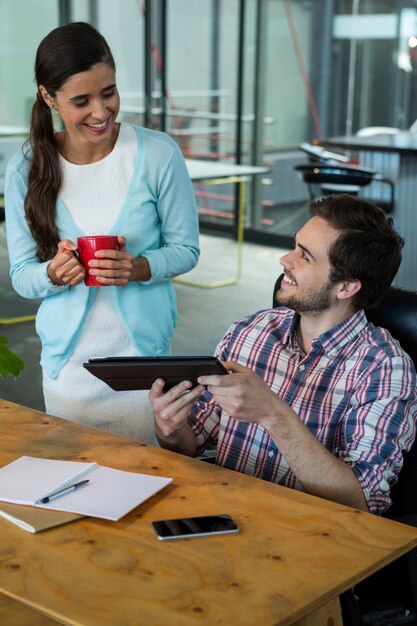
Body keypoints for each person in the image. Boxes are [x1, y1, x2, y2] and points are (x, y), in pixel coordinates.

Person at [150, 193, 417, 514]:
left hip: (311, 541)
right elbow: (193, 441)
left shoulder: (385, 369)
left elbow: (361, 500)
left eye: (304, 256)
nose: (285, 260)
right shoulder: (251, 331)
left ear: (346, 287)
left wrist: (274, 414)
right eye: (295, 246)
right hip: (221, 517)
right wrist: (171, 427)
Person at [5, 22, 199, 443]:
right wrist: (53, 275)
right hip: (67, 375)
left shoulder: (157, 154)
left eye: (108, 92)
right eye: (81, 100)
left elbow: (186, 249)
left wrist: (139, 267)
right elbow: (22, 274)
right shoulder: (25, 169)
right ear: (48, 97)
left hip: (143, 371)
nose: (101, 111)